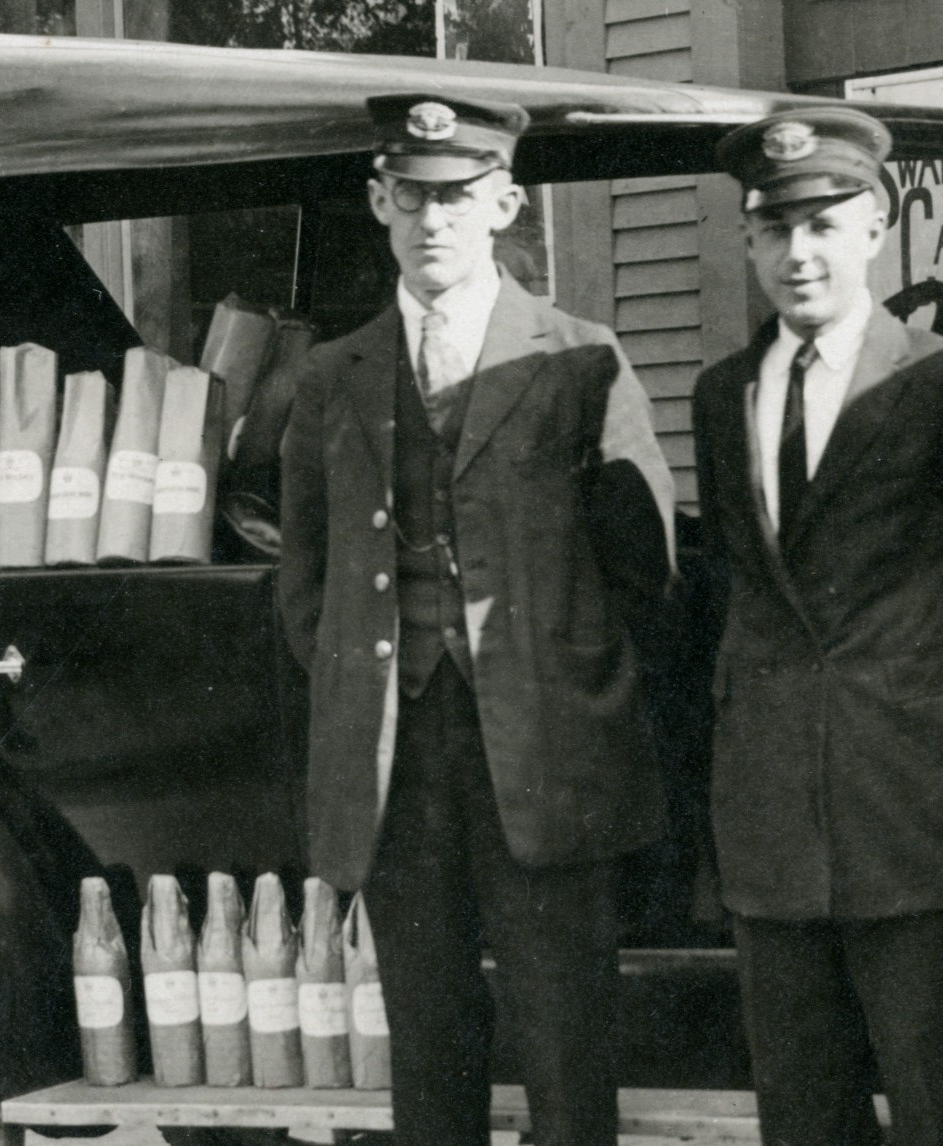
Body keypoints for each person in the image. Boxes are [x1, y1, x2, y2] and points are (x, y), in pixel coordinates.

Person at [275, 93, 677, 1146]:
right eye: (411, 195)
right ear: (379, 200)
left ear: (505, 202)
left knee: (566, 1032)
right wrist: (370, 685)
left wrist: (580, 687)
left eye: (457, 196)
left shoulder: (579, 359)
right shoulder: (332, 377)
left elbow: (645, 570)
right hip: (397, 755)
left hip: (547, 747)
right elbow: (305, 580)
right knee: (429, 1034)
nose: (433, 219)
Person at [690, 107, 943, 1146]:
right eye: (775, 226)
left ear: (875, 226)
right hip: (773, 835)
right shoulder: (724, 397)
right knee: (803, 1120)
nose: (799, 252)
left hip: (921, 825)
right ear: (750, 240)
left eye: (824, 221)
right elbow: (734, 598)